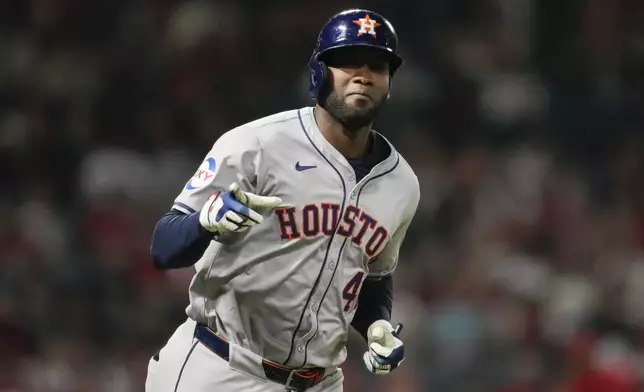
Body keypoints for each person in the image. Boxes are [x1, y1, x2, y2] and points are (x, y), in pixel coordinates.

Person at [145, 8, 420, 392]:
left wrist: (377, 325)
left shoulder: (402, 184)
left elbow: (373, 277)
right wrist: (205, 221)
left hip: (319, 382)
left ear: (389, 84)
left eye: (377, 66)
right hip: (221, 368)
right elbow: (163, 246)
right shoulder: (257, 145)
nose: (362, 74)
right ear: (320, 73)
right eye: (347, 62)